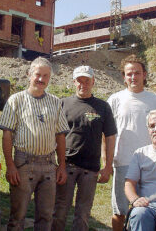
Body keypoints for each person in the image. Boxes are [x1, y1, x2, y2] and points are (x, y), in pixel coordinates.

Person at [0, 57, 69, 231]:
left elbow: (60, 136)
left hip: (49, 165)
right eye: (38, 74)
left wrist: (62, 166)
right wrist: (11, 166)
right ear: (29, 74)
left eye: (45, 76)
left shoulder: (55, 102)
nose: (41, 79)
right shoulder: (16, 100)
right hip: (24, 164)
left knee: (46, 217)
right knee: (18, 216)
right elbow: (7, 135)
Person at [52, 66, 117, 231]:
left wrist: (108, 166)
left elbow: (109, 137)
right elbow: (54, 135)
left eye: (87, 80)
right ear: (74, 82)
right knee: (60, 210)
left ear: (93, 81)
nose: (83, 84)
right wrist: (57, 165)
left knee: (83, 213)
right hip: (67, 166)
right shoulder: (63, 104)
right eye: (79, 80)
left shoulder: (102, 107)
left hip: (90, 170)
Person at [107, 54, 156, 231]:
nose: (133, 77)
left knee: (149, 209)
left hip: (151, 164)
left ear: (144, 75)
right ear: (124, 77)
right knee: (120, 210)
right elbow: (108, 134)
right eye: (129, 73)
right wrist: (107, 161)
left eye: (137, 73)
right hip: (123, 162)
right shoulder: (115, 100)